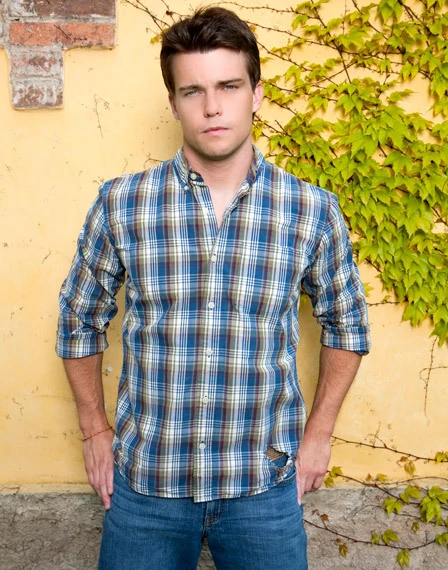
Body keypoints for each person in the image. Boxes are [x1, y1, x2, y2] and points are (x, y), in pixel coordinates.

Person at [56, 6, 370, 569]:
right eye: (193, 90)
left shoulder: (310, 210)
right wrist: (93, 430)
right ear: (173, 102)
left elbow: (346, 323)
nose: (213, 106)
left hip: (263, 486)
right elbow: (79, 319)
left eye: (229, 85)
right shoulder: (123, 203)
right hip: (147, 485)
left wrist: (320, 433)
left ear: (256, 93)